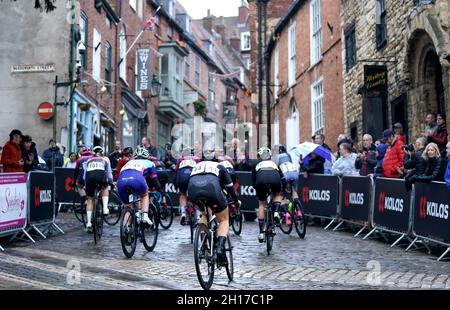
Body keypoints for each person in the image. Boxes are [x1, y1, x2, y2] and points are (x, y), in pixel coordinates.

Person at [188, 148, 239, 265]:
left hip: (193, 191)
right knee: (224, 220)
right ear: (216, 158)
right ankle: (220, 248)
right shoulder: (220, 166)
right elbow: (230, 188)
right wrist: (235, 201)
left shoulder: (195, 166)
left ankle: (203, 245)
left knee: (204, 214)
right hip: (212, 190)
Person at [117, 147, 161, 227]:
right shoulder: (149, 163)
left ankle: (126, 228)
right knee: (144, 194)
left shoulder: (128, 163)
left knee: (127, 206)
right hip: (136, 179)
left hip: (121, 181)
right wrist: (159, 189)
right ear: (147, 156)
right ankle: (144, 216)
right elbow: (154, 179)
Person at [252, 147, 284, 243]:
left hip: (260, 182)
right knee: (277, 195)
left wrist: (257, 189)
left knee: (262, 204)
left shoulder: (255, 164)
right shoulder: (274, 163)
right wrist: (283, 188)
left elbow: (253, 181)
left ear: (259, 156)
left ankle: (261, 232)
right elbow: (282, 177)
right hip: (275, 180)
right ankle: (276, 212)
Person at [83, 146, 113, 231]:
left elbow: (84, 176)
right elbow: (109, 173)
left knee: (89, 199)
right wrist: (110, 182)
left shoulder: (88, 160)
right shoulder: (105, 159)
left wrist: (86, 184)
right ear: (102, 153)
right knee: (105, 187)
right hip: (100, 176)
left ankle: (88, 222)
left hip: (89, 178)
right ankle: (105, 208)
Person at [175, 147, 201, 225]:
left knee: (183, 194)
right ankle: (198, 217)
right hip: (192, 177)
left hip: (182, 178)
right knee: (197, 196)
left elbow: (176, 173)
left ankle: (183, 213)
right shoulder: (196, 159)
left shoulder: (180, 160)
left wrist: (176, 184)